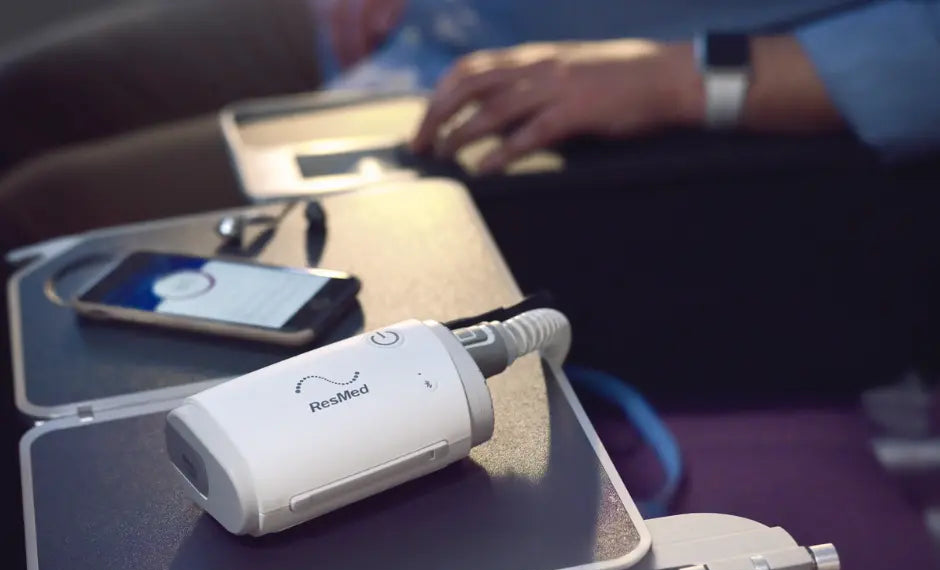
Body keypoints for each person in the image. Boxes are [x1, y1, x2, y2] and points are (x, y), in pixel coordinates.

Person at [0, 0, 938, 251]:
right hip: (408, 14)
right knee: (26, 93)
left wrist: (682, 78)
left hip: (562, 87)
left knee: (45, 216)